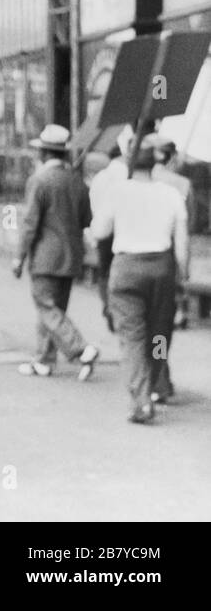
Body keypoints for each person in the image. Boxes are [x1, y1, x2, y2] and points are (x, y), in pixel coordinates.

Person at [89, 133, 189, 423]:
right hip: (161, 269)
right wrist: (181, 276)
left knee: (132, 337)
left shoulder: (117, 192)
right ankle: (157, 383)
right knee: (158, 334)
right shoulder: (171, 195)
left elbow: (100, 232)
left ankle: (141, 400)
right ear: (155, 165)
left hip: (127, 270)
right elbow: (181, 247)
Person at [12, 124, 100, 380]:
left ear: (44, 153)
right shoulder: (77, 181)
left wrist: (19, 256)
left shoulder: (39, 181)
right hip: (72, 255)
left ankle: (81, 349)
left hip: (45, 256)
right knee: (54, 310)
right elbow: (86, 219)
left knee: (46, 308)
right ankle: (43, 359)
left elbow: (30, 224)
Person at [87, 132, 132, 332]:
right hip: (125, 231)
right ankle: (120, 308)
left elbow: (94, 207)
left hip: (104, 233)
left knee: (105, 272)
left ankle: (109, 306)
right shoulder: (128, 175)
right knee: (121, 270)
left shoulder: (100, 178)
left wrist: (94, 235)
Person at [151, 133, 194, 331]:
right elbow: (190, 220)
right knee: (178, 274)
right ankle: (179, 312)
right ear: (172, 157)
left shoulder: (142, 179)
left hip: (150, 241)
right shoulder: (183, 184)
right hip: (175, 237)